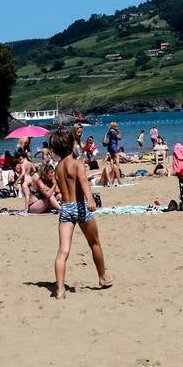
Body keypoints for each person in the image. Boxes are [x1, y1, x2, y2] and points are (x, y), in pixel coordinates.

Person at [49, 127, 112, 299]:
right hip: (80, 206)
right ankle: (102, 277)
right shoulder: (76, 162)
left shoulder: (58, 167)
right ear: (70, 144)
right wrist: (90, 199)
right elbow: (84, 181)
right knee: (94, 243)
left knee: (63, 251)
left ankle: (60, 289)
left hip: (66, 209)